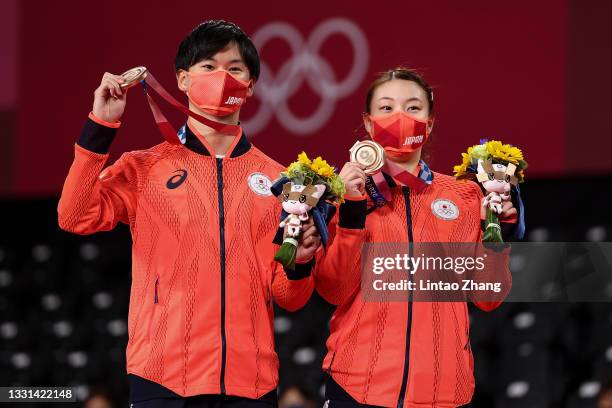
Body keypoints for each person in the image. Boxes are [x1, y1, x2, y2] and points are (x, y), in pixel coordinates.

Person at [58, 20, 320, 408]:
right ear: (182, 79)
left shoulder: (281, 183)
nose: (222, 77)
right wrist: (101, 126)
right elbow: (75, 215)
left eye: (234, 69)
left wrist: (298, 264)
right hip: (162, 378)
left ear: (250, 86)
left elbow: (288, 297)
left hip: (250, 383)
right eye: (208, 66)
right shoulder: (144, 168)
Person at [313, 68, 516, 407]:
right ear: (367, 122)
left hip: (444, 392)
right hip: (357, 388)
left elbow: (488, 297)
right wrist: (351, 211)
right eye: (387, 108)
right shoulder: (340, 194)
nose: (401, 117)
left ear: (430, 122)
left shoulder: (464, 196)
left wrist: (498, 234)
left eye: (413, 108)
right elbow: (333, 289)